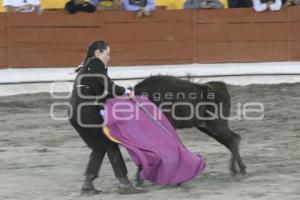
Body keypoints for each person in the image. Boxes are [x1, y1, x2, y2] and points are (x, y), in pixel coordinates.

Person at [69, 40, 146, 195]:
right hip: (87, 112)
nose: (108, 58)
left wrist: (123, 96)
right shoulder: (96, 63)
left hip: (74, 114)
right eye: (107, 54)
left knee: (99, 147)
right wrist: (126, 91)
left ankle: (87, 185)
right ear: (98, 53)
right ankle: (124, 184)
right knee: (110, 144)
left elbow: (105, 93)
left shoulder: (87, 67)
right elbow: (110, 87)